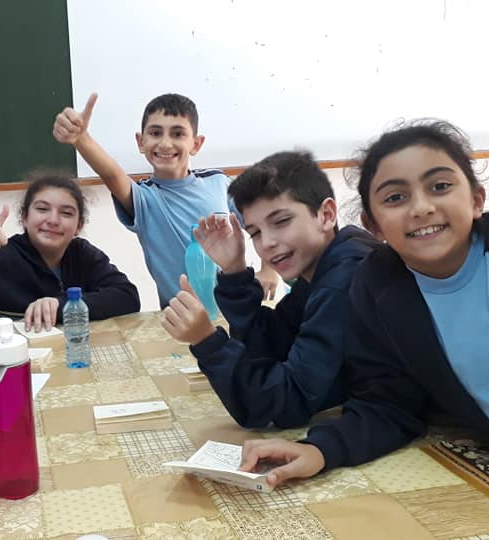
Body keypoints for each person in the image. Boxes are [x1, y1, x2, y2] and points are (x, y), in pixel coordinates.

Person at [237, 121, 489, 507]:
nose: (421, 208)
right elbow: (390, 403)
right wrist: (321, 450)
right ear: (373, 224)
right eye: (395, 197)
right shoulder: (377, 289)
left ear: (477, 199)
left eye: (439, 186)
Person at [161, 151, 381, 428]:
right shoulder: (326, 265)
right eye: (254, 232)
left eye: (281, 221)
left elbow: (285, 404)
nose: (266, 243)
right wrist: (234, 271)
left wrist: (207, 341)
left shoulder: (344, 280)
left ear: (326, 215)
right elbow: (274, 344)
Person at [53, 93, 279, 307]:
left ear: (196, 144)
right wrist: (81, 139)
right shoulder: (143, 198)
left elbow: (263, 223)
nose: (165, 143)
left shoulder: (218, 183)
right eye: (155, 133)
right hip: (183, 317)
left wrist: (268, 269)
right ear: (141, 141)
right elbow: (112, 175)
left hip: (239, 306)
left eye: (178, 134)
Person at [0, 171, 141, 330]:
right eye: (42, 209)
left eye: (66, 213)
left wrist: (61, 305)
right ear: (24, 217)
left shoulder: (82, 255)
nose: (53, 220)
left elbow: (127, 296)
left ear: (78, 226)